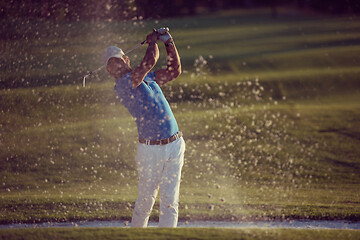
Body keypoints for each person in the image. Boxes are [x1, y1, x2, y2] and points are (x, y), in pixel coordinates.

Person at [102, 28, 185, 228]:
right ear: (108, 71)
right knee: (146, 200)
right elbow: (149, 61)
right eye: (111, 65)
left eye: (118, 61)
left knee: (170, 201)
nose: (116, 67)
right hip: (150, 150)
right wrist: (153, 41)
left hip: (175, 145)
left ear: (126, 60)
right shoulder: (123, 85)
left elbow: (174, 71)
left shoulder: (149, 78)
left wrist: (169, 43)